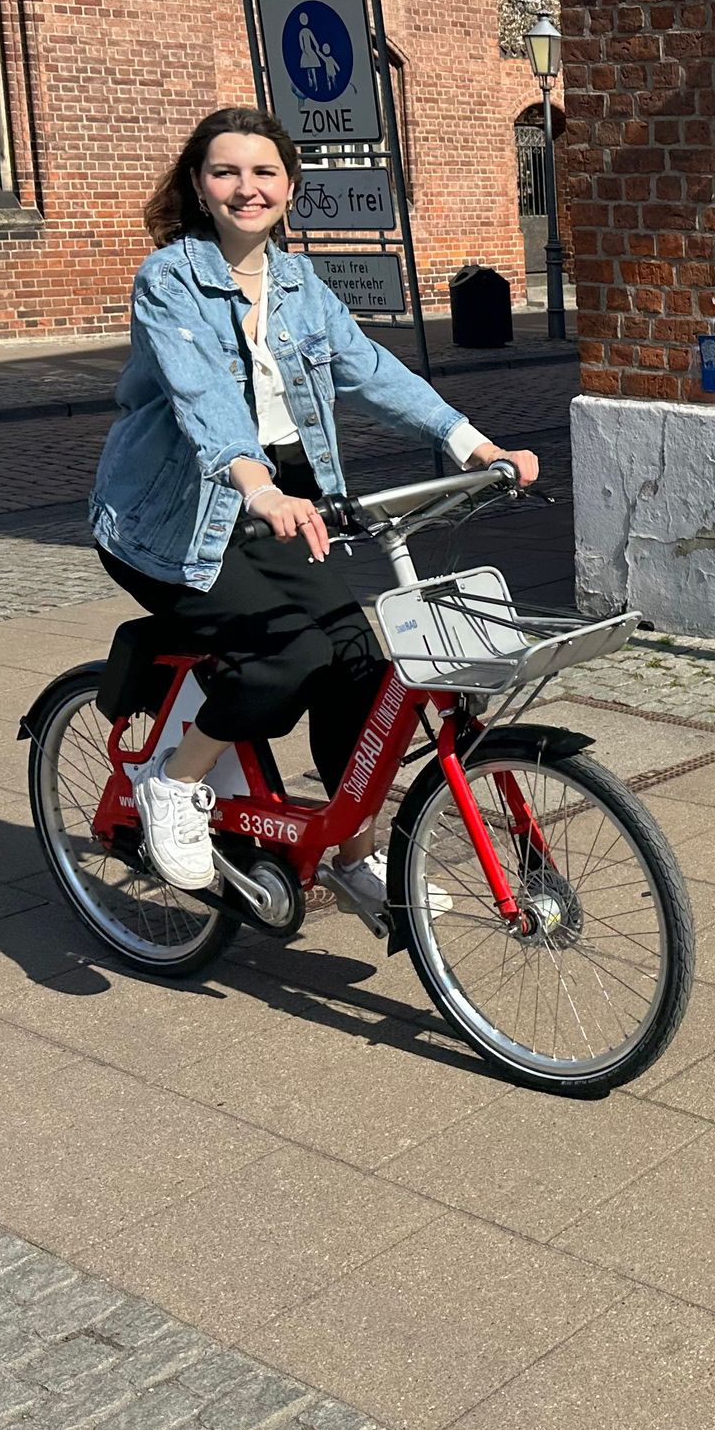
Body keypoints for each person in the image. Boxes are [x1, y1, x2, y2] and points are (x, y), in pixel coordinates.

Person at [88, 105, 538, 904]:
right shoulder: (169, 279)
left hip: (283, 505)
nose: (246, 188)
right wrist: (255, 484)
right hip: (176, 519)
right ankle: (172, 782)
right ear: (199, 186)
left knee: (361, 663)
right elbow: (201, 401)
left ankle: (351, 848)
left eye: (264, 173)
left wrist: (476, 444)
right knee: (287, 657)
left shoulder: (300, 286)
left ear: (290, 187)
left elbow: (371, 372)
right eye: (226, 172)